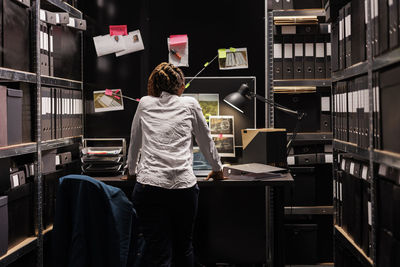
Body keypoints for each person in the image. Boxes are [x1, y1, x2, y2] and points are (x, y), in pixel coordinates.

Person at [127, 62, 224, 267]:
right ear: (180, 86)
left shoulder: (144, 103)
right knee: (184, 248)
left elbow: (134, 142)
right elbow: (205, 141)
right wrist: (217, 169)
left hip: (149, 187)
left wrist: (132, 171)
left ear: (154, 84)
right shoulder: (190, 103)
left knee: (158, 251)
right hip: (183, 188)